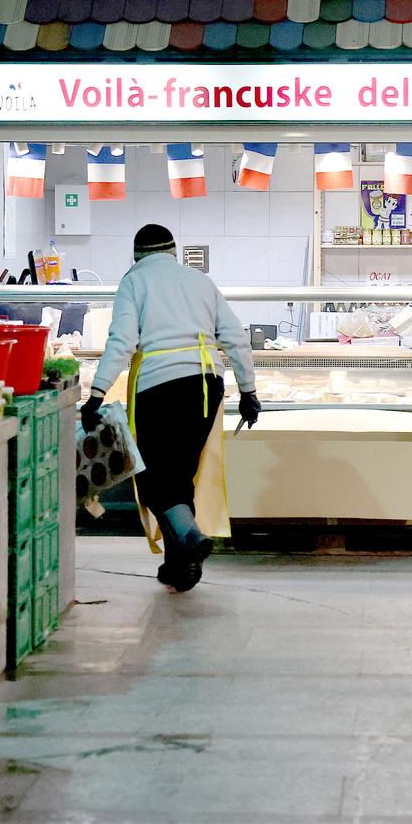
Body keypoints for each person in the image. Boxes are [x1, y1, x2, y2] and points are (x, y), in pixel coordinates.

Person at [80, 224, 260, 592]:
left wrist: (96, 393)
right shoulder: (200, 282)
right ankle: (179, 565)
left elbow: (123, 339)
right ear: (173, 252)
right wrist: (248, 389)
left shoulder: (134, 281)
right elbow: (236, 336)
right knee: (179, 476)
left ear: (137, 256)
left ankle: (190, 539)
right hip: (206, 386)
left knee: (149, 476)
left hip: (159, 387)